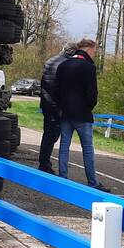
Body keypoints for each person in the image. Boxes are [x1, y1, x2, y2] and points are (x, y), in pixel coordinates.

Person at [54, 39, 109, 191]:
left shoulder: (63, 65)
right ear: (89, 49)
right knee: (87, 148)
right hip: (82, 114)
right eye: (94, 51)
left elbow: (56, 90)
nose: (95, 54)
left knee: (64, 146)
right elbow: (92, 94)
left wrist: (62, 107)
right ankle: (92, 181)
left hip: (66, 113)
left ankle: (62, 177)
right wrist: (88, 108)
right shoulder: (89, 67)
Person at [38, 43, 76, 174]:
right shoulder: (67, 65)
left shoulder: (50, 61)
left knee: (47, 133)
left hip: (46, 103)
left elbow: (44, 83)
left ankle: (44, 161)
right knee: (52, 135)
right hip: (57, 105)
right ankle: (44, 164)